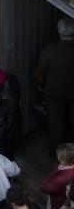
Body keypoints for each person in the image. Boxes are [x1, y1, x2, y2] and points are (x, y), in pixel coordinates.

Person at [36, 18, 74, 150]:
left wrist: (40, 85)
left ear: (58, 31)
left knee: (55, 123)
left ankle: (56, 152)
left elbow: (39, 74)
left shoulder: (49, 50)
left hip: (53, 92)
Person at [44, 143, 74, 209]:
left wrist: (58, 168)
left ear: (64, 159)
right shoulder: (68, 169)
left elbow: (46, 187)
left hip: (58, 199)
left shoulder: (65, 176)